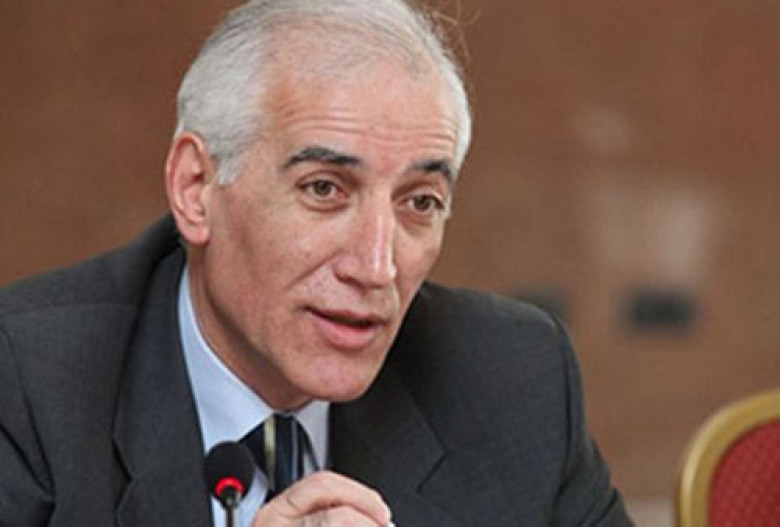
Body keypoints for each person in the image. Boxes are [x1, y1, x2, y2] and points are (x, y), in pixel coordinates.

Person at [0, 0, 634, 526]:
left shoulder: (513, 378)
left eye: (419, 201)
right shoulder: (27, 386)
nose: (377, 267)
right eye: (324, 189)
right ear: (196, 189)